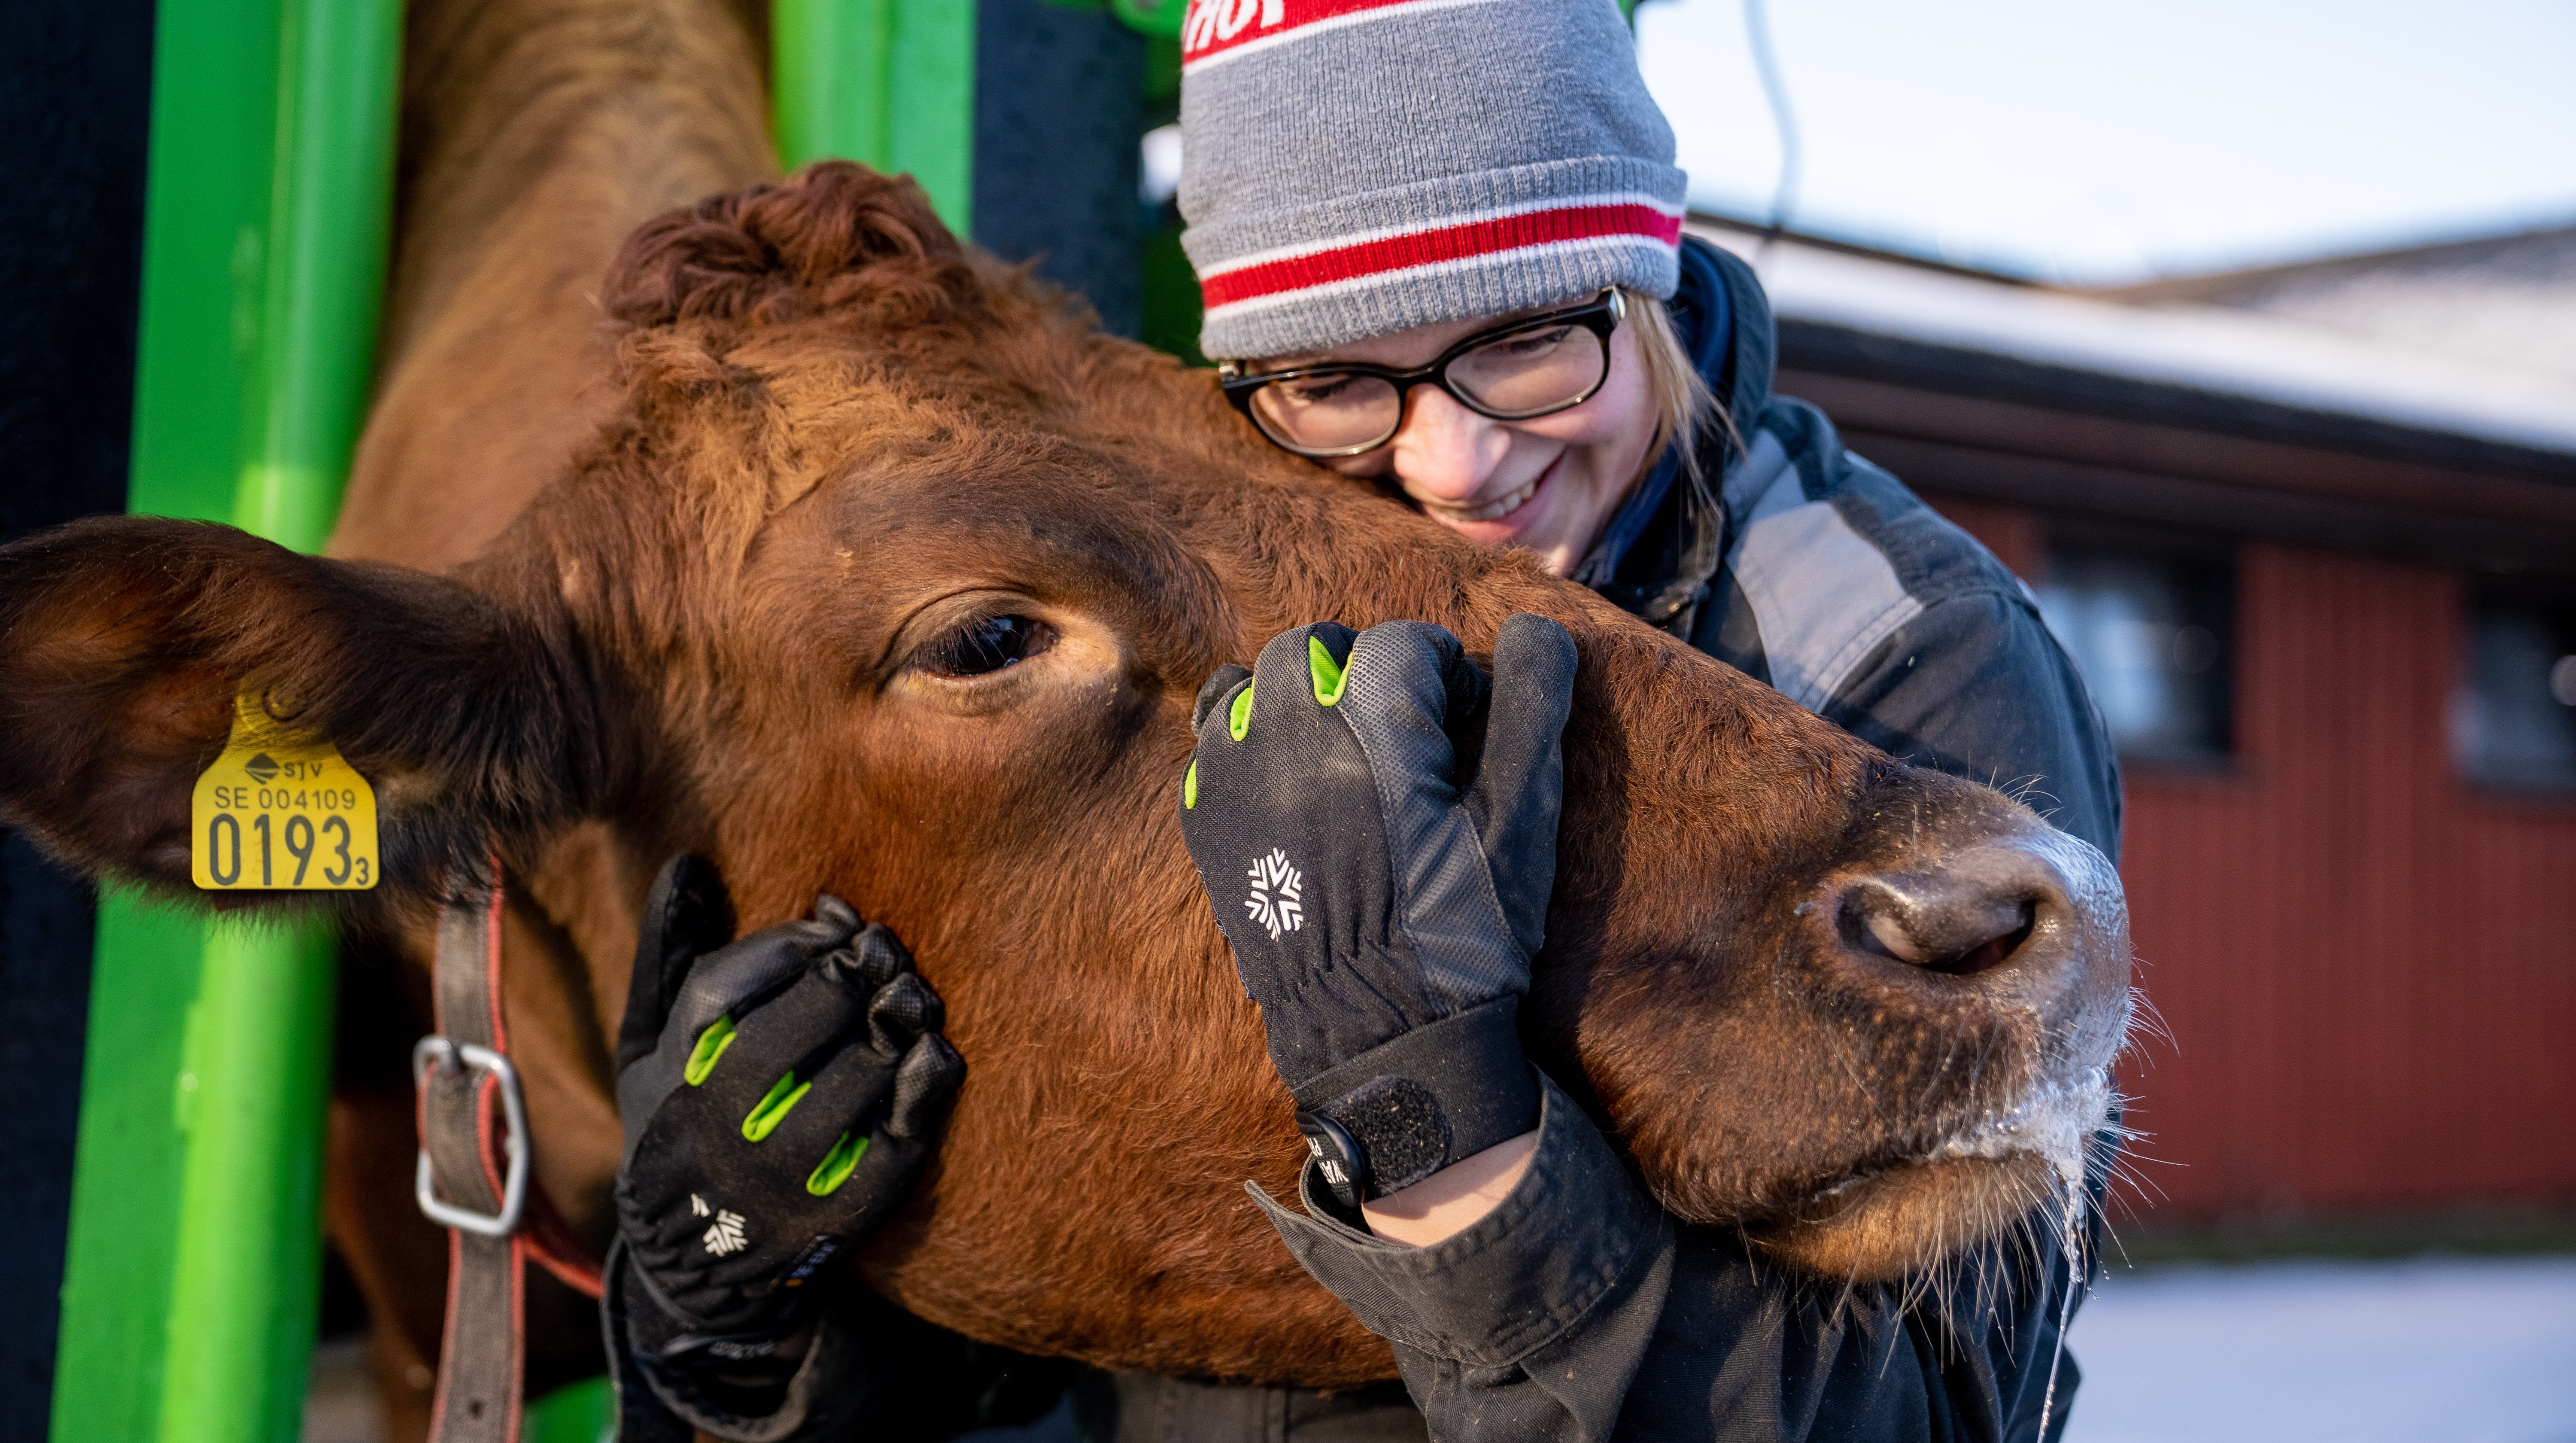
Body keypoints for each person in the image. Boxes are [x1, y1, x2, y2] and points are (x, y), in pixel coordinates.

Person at [602, 0, 2120, 1436]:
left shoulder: (1899, 652)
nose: (1453, 466)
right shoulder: (1227, 601)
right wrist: (747, 1327)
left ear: (1642, 276)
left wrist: (1461, 1162)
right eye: (1336, 379)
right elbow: (1079, 1305)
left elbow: (1945, 1412)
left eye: (1525, 338)